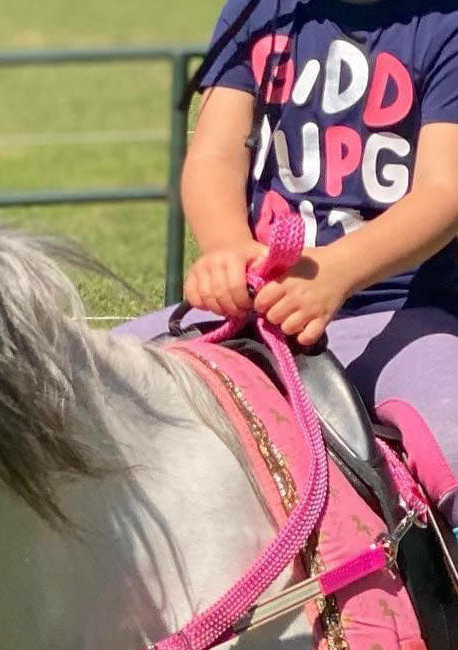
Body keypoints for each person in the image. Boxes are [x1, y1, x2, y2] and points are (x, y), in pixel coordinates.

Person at [117, 0, 458, 529]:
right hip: (259, 306)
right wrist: (227, 248)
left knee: (452, 430)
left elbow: (445, 191)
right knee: (88, 384)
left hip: (404, 313)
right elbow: (213, 156)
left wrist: (336, 272)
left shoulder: (446, 26)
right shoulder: (258, 11)